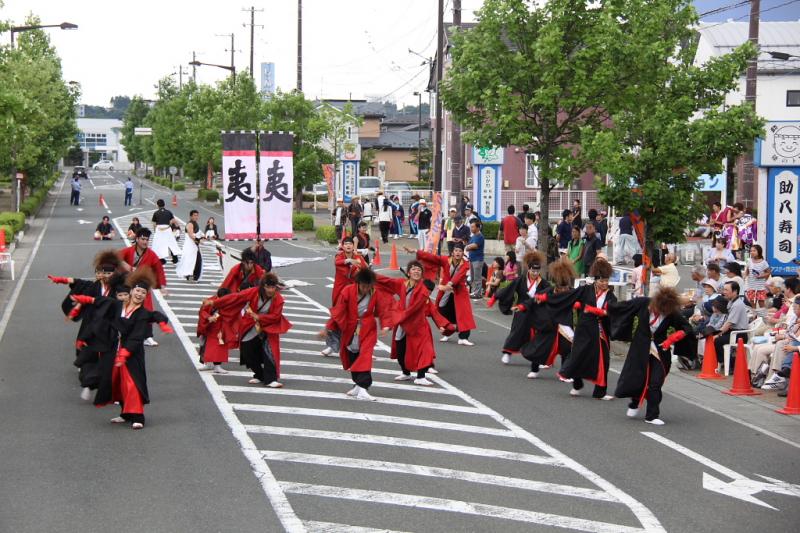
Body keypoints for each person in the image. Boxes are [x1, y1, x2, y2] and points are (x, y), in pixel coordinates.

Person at [72, 267, 173, 429]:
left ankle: (138, 416)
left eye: (143, 293)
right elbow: (99, 302)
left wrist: (162, 324)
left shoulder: (142, 314)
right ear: (132, 291)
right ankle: (125, 413)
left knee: (132, 383)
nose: (139, 295)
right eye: (138, 291)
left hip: (131, 354)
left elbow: (137, 335)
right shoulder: (118, 306)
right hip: (114, 350)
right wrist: (82, 299)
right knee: (115, 382)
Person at [610, 287, 696, 426]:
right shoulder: (643, 303)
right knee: (638, 378)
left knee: (655, 383)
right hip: (640, 348)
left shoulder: (671, 312)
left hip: (660, 350)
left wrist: (673, 338)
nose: (658, 312)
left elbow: (687, 328)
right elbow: (621, 307)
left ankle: (652, 415)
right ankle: (635, 402)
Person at [49, 250, 122, 399]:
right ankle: (88, 380)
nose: (105, 276)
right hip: (91, 323)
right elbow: (76, 282)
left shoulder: (117, 289)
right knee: (86, 349)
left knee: (110, 357)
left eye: (109, 274)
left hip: (109, 326)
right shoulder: (92, 286)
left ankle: (112, 387)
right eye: (103, 273)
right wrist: (60, 280)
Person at [546, 259, 617, 400]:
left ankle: (600, 392)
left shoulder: (611, 296)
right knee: (579, 355)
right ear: (596, 280)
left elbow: (613, 312)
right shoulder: (586, 290)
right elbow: (570, 296)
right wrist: (547, 298)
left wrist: (597, 311)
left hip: (601, 332)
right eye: (602, 281)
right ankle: (577, 384)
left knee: (603, 361)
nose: (605, 283)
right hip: (584, 329)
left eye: (606, 281)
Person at [208, 272, 292, 388]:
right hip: (251, 324)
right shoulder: (254, 292)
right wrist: (216, 302)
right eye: (268, 287)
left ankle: (271, 379)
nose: (271, 290)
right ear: (263, 286)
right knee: (246, 350)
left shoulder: (278, 298)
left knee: (269, 352)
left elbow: (276, 316)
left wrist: (260, 317)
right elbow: (236, 297)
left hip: (269, 326)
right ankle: (259, 374)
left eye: (273, 287)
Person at [375, 261, 452, 385]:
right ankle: (406, 372)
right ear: (409, 272)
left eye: (419, 270)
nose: (416, 271)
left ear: (422, 274)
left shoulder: (423, 291)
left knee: (424, 350)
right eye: (414, 269)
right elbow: (385, 281)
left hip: (418, 324)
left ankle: (421, 376)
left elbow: (416, 310)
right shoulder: (401, 283)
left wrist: (443, 325)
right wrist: (365, 272)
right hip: (403, 323)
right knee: (400, 350)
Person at [325, 268, 394, 400]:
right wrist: (329, 327)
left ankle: (363, 387)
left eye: (369, 286)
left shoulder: (375, 293)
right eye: (363, 286)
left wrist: (385, 325)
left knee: (365, 356)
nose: (366, 289)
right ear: (358, 283)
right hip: (350, 327)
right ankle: (357, 384)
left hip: (368, 328)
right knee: (352, 356)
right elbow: (338, 311)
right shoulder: (347, 291)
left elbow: (383, 309)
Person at [520, 258, 578, 378]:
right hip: (548, 324)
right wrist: (523, 306)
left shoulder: (572, 293)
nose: (563, 290)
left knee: (566, 349)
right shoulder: (549, 291)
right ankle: (534, 369)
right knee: (539, 346)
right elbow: (534, 300)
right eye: (561, 288)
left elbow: (583, 301)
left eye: (565, 288)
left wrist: (580, 305)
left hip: (565, 324)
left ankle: (564, 373)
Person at [415, 243, 477, 346]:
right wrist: (417, 252)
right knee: (441, 310)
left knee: (463, 314)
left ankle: (463, 337)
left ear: (463, 253)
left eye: (460, 251)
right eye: (456, 251)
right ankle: (448, 332)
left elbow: (458, 276)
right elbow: (433, 257)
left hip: (459, 292)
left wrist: (449, 284)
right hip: (446, 292)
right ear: (452, 252)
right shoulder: (446, 260)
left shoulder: (465, 264)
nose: (458, 253)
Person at [496, 251, 550, 366]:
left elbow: (551, 294)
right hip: (521, 310)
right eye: (533, 270)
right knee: (517, 331)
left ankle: (540, 358)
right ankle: (507, 352)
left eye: (537, 271)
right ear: (528, 269)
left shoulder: (544, 283)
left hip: (537, 311)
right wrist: (496, 296)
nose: (535, 273)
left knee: (539, 335)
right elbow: (509, 289)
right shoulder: (520, 280)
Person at [118, 228, 167, 347]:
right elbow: (116, 258)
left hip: (143, 286)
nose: (145, 242)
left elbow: (159, 268)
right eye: (143, 239)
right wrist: (128, 267)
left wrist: (162, 285)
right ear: (137, 239)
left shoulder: (151, 254)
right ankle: (122, 332)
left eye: (147, 239)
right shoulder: (128, 251)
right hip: (128, 285)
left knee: (147, 310)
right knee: (124, 309)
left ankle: (148, 336)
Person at [713, 280, 750, 374]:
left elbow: (729, 323)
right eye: (723, 289)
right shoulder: (731, 302)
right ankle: (725, 363)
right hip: (732, 331)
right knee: (712, 337)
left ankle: (728, 364)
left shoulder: (737, 305)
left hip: (739, 334)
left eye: (726, 290)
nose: (723, 292)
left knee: (717, 340)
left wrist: (718, 333)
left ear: (735, 292)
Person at [197, 287, 233, 374]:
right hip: (210, 326)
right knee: (205, 345)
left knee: (220, 346)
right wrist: (208, 317)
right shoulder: (210, 301)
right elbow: (202, 311)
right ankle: (208, 363)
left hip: (222, 326)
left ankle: (217, 366)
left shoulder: (230, 302)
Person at [332, 236, 368, 304]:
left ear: (353, 246)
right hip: (340, 288)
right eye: (346, 244)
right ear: (342, 246)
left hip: (353, 289)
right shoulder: (339, 256)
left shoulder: (358, 257)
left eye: (350, 244)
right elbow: (337, 262)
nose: (348, 245)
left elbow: (365, 270)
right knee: (338, 310)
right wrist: (349, 260)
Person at [176, 210, 204, 282]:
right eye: (195, 215)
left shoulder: (195, 223)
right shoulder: (190, 224)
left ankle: (194, 276)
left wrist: (202, 238)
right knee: (190, 259)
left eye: (197, 215)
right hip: (190, 245)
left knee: (197, 260)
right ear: (191, 216)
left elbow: (197, 233)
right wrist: (198, 240)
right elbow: (191, 235)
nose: (196, 217)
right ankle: (189, 275)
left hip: (194, 244)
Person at [151, 199, 180, 264]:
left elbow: (154, 223)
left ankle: (161, 260)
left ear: (157, 205)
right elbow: (174, 221)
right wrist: (178, 228)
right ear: (164, 204)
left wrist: (155, 231)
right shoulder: (168, 212)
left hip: (159, 229)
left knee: (158, 244)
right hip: (167, 229)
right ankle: (175, 258)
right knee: (171, 243)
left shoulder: (156, 213)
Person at [744, 244, 771, 309]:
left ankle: (763, 318)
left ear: (759, 252)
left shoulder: (763, 262)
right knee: (752, 304)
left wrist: (761, 276)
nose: (752, 252)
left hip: (760, 287)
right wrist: (745, 277)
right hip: (751, 286)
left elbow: (768, 272)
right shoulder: (749, 261)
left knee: (761, 304)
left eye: (754, 251)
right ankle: (754, 317)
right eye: (751, 251)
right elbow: (747, 271)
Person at [464, 220, 485, 299]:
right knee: (472, 277)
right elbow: (469, 245)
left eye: (473, 227)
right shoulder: (473, 236)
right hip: (472, 259)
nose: (471, 228)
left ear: (478, 228)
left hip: (478, 259)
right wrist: (468, 246)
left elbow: (474, 246)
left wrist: (468, 247)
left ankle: (478, 293)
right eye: (471, 227)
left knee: (477, 277)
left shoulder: (480, 236)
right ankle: (475, 291)